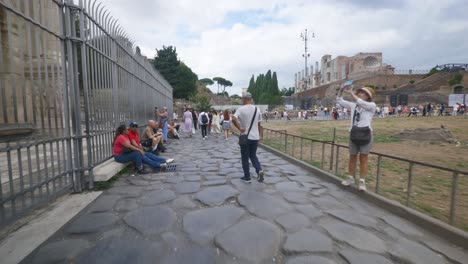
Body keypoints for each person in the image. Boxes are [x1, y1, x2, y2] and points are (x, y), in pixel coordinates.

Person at [337, 84, 376, 191]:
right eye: (360, 92)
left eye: (363, 93)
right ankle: (350, 178)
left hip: (366, 134)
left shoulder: (371, 105)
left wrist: (351, 93)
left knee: (363, 158)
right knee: (352, 157)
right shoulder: (354, 105)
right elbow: (339, 100)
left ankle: (362, 181)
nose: (360, 94)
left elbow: (360, 102)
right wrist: (341, 90)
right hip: (354, 133)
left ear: (368, 96)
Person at [232, 92, 264, 183]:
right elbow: (259, 124)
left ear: (245, 99)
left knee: (245, 157)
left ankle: (247, 177)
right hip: (255, 137)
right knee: (253, 155)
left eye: (242, 99)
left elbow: (233, 118)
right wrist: (260, 136)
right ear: (251, 99)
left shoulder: (240, 109)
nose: (242, 100)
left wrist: (239, 128)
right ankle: (259, 170)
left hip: (245, 136)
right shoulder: (257, 110)